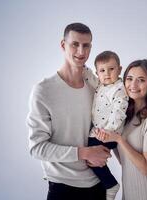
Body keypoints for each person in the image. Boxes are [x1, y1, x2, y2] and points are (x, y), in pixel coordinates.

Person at [27, 22, 111, 200]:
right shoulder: (43, 90)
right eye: (75, 44)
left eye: (86, 45)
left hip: (98, 184)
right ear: (63, 45)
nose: (81, 51)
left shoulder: (95, 87)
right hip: (62, 187)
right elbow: (37, 147)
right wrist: (85, 153)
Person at [96, 59, 147, 200]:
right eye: (129, 79)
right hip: (129, 193)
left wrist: (118, 139)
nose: (133, 85)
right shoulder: (126, 117)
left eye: (141, 80)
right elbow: (126, 161)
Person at [83, 51, 129, 200]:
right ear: (98, 73)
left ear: (120, 70)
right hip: (98, 131)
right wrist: (82, 67)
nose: (107, 74)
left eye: (111, 69)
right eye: (102, 71)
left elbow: (119, 112)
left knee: (90, 152)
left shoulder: (119, 89)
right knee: (89, 155)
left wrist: (107, 132)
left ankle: (111, 185)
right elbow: (90, 75)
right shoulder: (101, 85)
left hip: (108, 133)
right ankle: (105, 183)